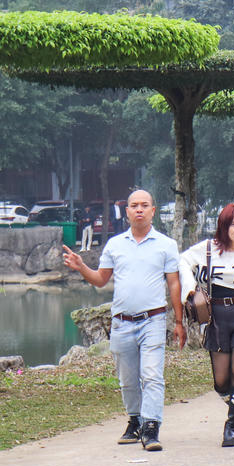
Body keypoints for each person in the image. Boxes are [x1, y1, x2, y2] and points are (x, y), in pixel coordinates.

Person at [63, 189, 182, 451]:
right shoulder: (115, 244)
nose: (139, 210)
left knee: (151, 375)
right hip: (121, 322)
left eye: (144, 205)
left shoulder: (166, 245)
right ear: (126, 211)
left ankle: (151, 427)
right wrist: (82, 267)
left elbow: (174, 284)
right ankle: (135, 420)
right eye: (134, 205)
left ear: (153, 210)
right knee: (128, 379)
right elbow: (101, 279)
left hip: (153, 319)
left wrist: (179, 322)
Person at [179, 203, 234, 448]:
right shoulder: (208, 249)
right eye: (233, 224)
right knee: (221, 381)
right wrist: (190, 291)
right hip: (218, 315)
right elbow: (183, 260)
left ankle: (231, 426)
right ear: (223, 227)